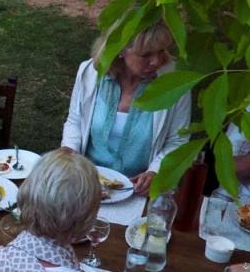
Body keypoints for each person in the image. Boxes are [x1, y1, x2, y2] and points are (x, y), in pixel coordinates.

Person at [61, 22, 189, 195]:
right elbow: (76, 120)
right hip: (87, 183)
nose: (157, 61)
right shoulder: (90, 73)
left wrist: (155, 172)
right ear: (120, 50)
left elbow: (178, 140)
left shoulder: (176, 82)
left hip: (140, 190)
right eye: (146, 55)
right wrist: (69, 150)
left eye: (161, 51)